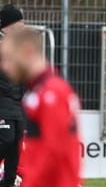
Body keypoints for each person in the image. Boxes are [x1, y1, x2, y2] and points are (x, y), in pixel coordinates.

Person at [0, 27, 81, 187]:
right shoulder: (38, 92)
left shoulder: (51, 93)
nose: (4, 67)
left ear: (27, 52)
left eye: (8, 59)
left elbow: (54, 155)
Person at [0, 4, 25, 187]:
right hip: (3, 102)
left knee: (15, 147)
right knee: (6, 140)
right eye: (20, 21)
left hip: (17, 103)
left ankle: (8, 184)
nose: (23, 25)